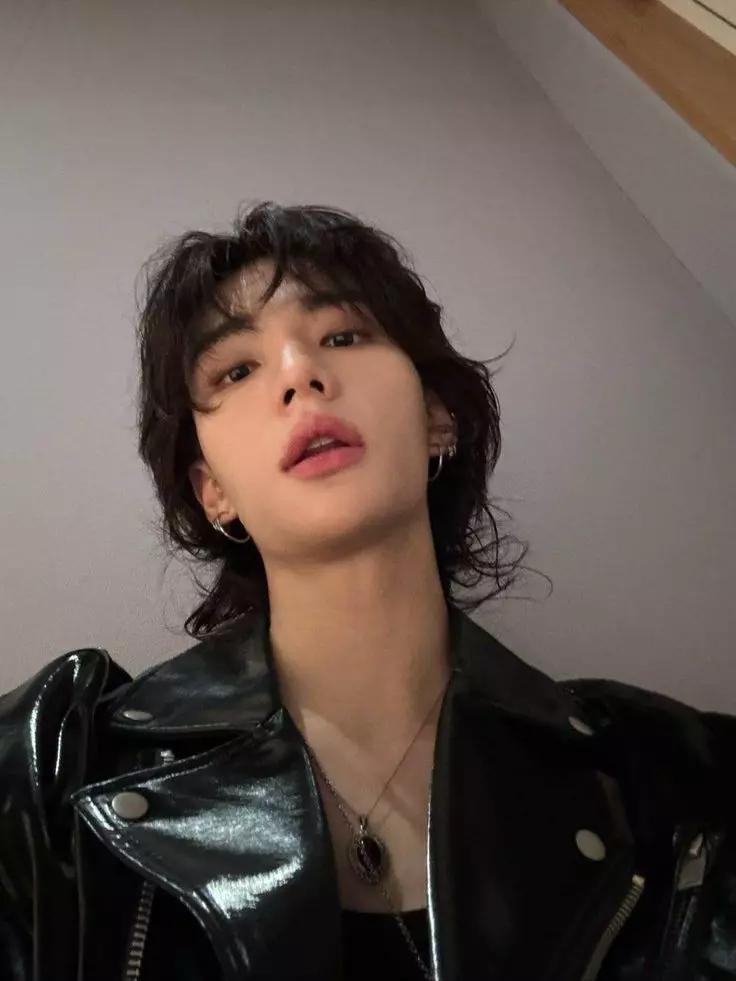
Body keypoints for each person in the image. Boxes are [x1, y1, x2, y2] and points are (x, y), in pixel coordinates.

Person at [0, 202, 734, 981]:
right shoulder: (53, 770)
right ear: (213, 489)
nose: (300, 375)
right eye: (236, 369)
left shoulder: (672, 778)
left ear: (437, 417)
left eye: (343, 336)